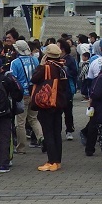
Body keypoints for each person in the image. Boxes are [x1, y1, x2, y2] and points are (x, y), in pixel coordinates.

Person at [30, 43, 71, 172]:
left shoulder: (46, 68)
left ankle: (51, 161)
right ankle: (57, 161)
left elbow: (34, 79)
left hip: (47, 103)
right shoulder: (63, 67)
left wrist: (41, 65)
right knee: (56, 132)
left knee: (48, 133)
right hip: (59, 103)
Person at [10, 39, 44, 154]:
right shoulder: (34, 60)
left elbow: (13, 79)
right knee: (33, 118)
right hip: (34, 93)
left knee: (20, 122)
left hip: (22, 95)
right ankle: (41, 138)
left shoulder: (15, 63)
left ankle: (21, 147)